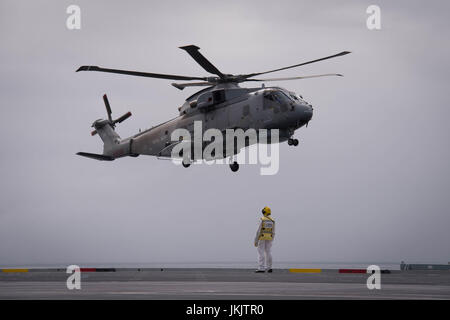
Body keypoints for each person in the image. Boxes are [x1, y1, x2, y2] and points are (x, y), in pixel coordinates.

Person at [254, 206, 275, 273]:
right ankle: (269, 267)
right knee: (268, 252)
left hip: (262, 237)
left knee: (261, 252)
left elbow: (258, 231)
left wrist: (256, 240)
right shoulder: (272, 221)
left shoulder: (262, 219)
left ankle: (261, 268)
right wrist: (272, 239)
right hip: (269, 238)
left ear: (264, 212)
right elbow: (273, 232)